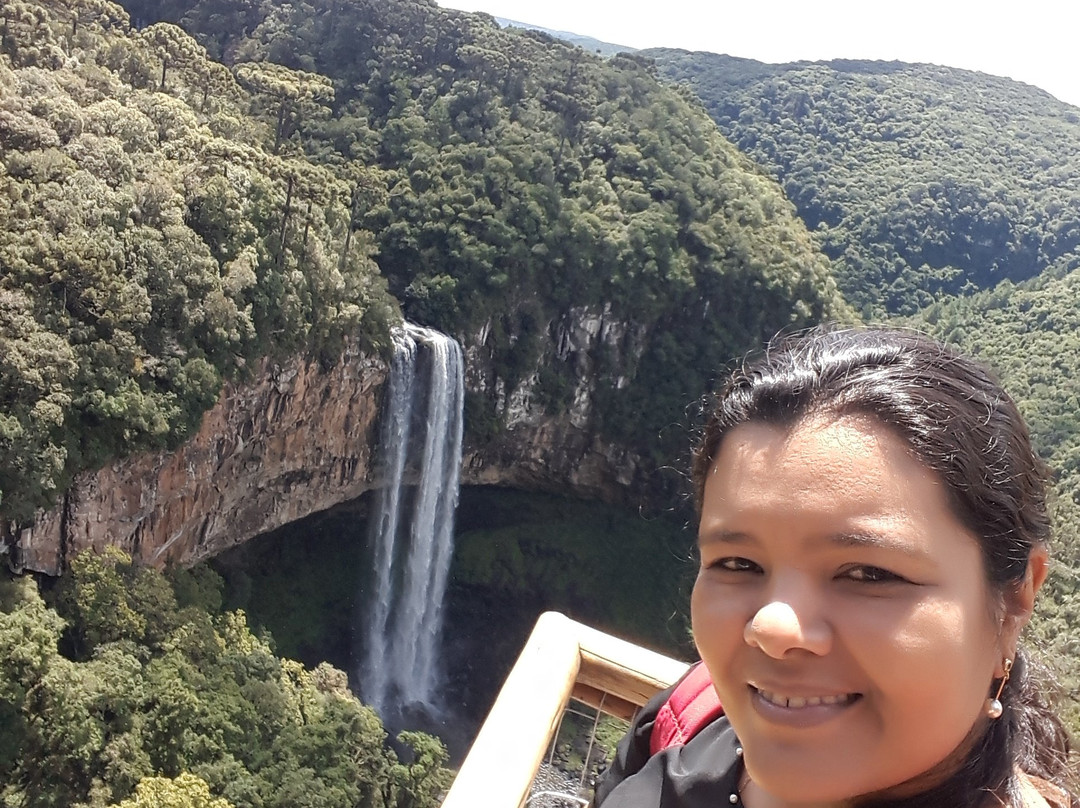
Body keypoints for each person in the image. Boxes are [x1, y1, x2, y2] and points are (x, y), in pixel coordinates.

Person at [593, 326, 1074, 808]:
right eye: (738, 563)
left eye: (868, 573)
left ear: (1014, 599)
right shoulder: (688, 716)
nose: (773, 627)